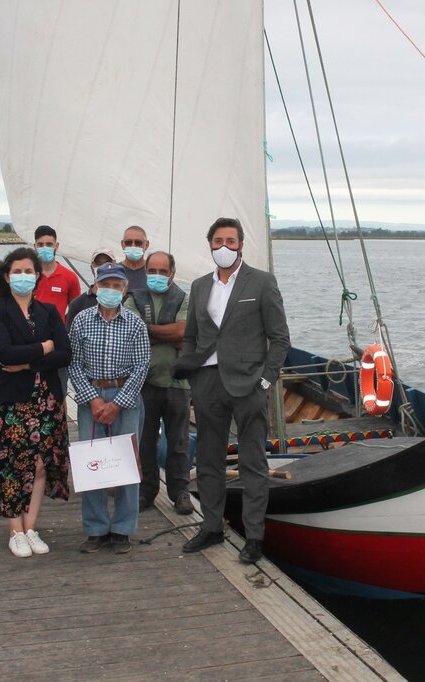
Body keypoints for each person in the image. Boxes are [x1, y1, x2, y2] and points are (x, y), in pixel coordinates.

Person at [174, 217, 290, 564]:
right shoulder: (199, 286)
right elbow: (191, 336)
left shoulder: (262, 282)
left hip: (249, 384)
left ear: (240, 244)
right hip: (208, 384)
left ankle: (254, 537)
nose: (224, 247)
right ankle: (212, 527)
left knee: (253, 462)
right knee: (208, 461)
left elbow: (280, 338)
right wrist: (193, 373)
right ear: (210, 244)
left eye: (230, 241)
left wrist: (266, 379)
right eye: (218, 241)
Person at [0, 248, 71, 557]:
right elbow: (4, 353)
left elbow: (65, 353)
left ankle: (31, 527)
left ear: (37, 275)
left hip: (46, 399)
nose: (24, 276)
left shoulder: (48, 311)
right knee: (11, 465)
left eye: (29, 271)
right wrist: (44, 347)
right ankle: (15, 530)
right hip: (10, 400)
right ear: (7, 277)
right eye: (17, 272)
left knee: (39, 465)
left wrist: (29, 362)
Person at [68, 262, 150, 555]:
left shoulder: (135, 324)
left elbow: (142, 366)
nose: (111, 290)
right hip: (90, 397)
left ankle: (123, 529)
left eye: (117, 286)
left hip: (125, 397)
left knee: (126, 465)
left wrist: (117, 403)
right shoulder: (81, 320)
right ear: (96, 287)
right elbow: (73, 362)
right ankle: (96, 529)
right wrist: (93, 399)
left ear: (125, 290)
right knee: (92, 464)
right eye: (106, 285)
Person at [124, 251, 193, 515]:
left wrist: (150, 329)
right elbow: (131, 331)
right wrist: (169, 334)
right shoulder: (134, 298)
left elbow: (183, 331)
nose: (157, 275)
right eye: (152, 270)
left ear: (172, 273)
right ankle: (146, 491)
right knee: (145, 442)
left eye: (163, 271)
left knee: (179, 442)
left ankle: (180, 492)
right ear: (145, 271)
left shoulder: (184, 298)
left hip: (178, 382)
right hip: (144, 382)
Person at [32, 225, 81, 326]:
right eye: (40, 245)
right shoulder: (28, 276)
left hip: (57, 333)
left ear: (56, 246)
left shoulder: (70, 277)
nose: (45, 248)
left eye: (49, 244)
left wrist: (64, 327)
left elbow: (76, 311)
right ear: (35, 246)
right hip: (30, 332)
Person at [65, 247, 116, 331]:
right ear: (92, 268)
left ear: (115, 266)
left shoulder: (122, 300)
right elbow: (70, 335)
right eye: (98, 263)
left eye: (107, 263)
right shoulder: (77, 304)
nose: (103, 267)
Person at [119, 225, 150, 292]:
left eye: (138, 243)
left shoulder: (154, 272)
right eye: (128, 242)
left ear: (146, 245)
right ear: (122, 244)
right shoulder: (115, 271)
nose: (133, 246)